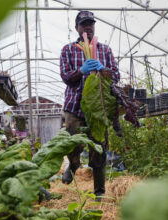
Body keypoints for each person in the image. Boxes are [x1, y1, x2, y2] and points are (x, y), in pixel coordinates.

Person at [60, 11, 120, 198]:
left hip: (98, 108)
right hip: (75, 106)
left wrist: (104, 71)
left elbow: (116, 76)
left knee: (99, 147)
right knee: (72, 143)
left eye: (90, 24)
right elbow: (65, 76)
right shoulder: (68, 49)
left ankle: (99, 192)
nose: (88, 27)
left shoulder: (105, 50)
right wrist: (81, 70)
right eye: (84, 24)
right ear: (77, 28)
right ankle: (74, 164)